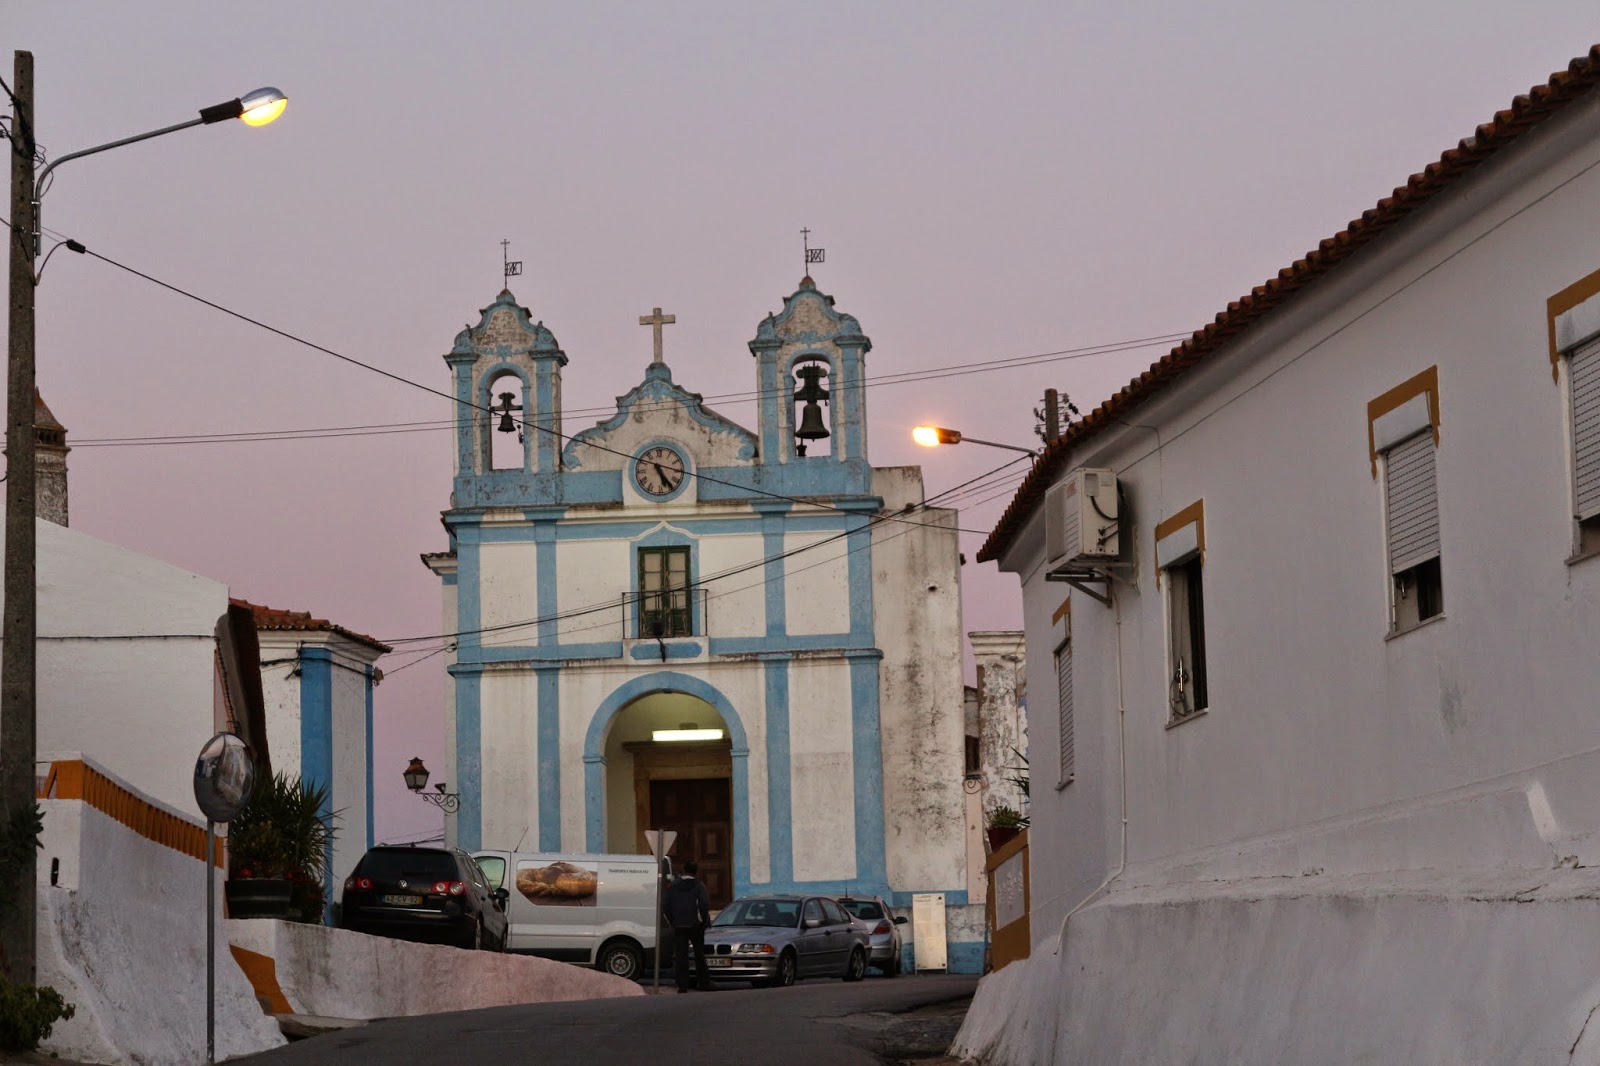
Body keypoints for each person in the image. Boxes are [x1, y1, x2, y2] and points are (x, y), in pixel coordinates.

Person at [663, 860, 711, 993]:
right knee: (699, 954)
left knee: (680, 955)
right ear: (696, 871)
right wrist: (703, 921)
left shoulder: (673, 886)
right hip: (695, 925)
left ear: (684, 870)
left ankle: (682, 985)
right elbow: (704, 904)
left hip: (679, 925)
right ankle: (703, 982)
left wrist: (673, 921)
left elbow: (666, 905)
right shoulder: (699, 886)